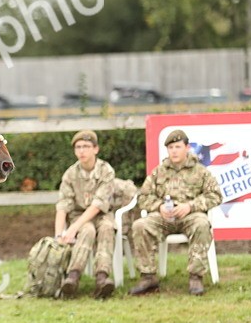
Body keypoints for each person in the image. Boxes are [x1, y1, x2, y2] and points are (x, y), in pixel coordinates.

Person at [129, 128, 222, 296]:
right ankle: (148, 276)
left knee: (202, 224)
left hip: (190, 216)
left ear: (187, 148)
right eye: (170, 148)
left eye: (178, 147)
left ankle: (196, 276)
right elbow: (143, 197)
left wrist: (191, 206)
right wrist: (159, 207)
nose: (174, 151)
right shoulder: (159, 171)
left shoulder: (200, 171)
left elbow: (215, 195)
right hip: (164, 217)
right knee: (140, 225)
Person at [53, 129, 117, 299]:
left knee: (107, 228)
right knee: (87, 231)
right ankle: (73, 277)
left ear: (96, 149)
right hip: (79, 215)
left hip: (102, 214)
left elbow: (98, 205)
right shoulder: (70, 174)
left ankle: (102, 278)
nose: (81, 151)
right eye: (78, 147)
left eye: (86, 146)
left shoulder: (106, 171)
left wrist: (74, 227)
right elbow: (63, 205)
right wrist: (59, 234)